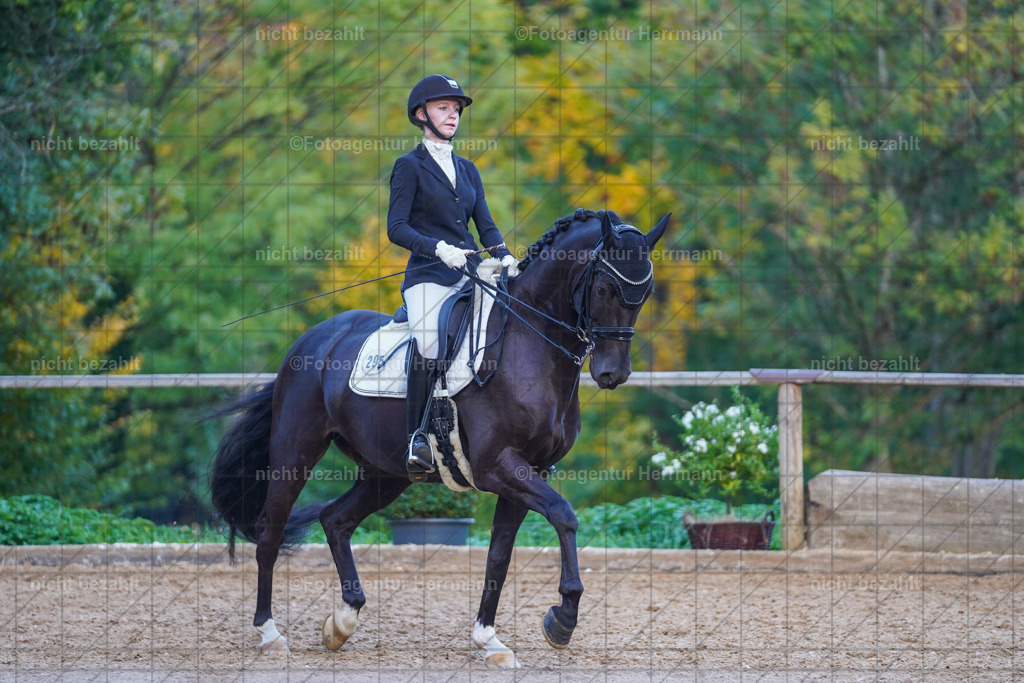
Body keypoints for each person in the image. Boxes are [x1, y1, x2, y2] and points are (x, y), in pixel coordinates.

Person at [387, 74, 518, 478]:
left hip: (471, 275)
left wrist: (508, 257)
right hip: (429, 277)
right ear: (421, 114)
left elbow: (487, 227)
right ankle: (418, 437)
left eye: (456, 110)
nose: (453, 116)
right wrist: (438, 248)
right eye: (444, 108)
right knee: (429, 341)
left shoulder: (468, 168)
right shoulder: (409, 166)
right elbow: (397, 227)